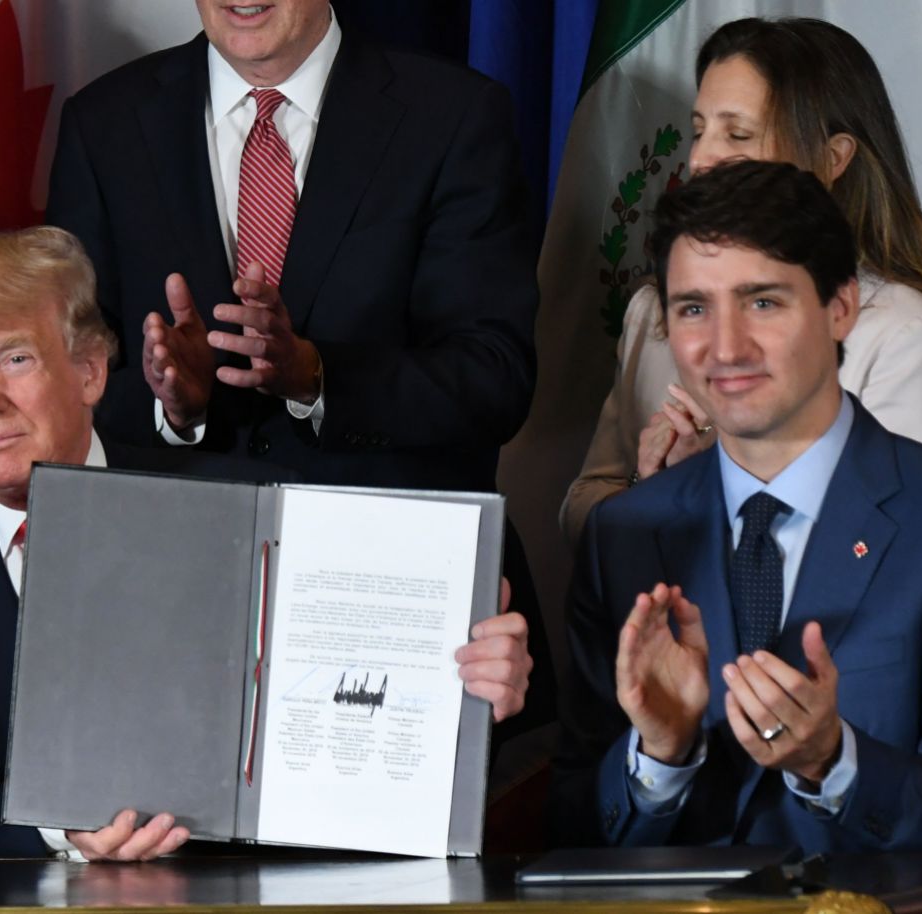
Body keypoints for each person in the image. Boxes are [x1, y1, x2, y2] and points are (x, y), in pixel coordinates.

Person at [0, 227, 535, 860]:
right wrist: (56, 828)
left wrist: (464, 699)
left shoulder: (254, 509)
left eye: (15, 359)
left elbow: (365, 743)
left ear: (90, 370)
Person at [46, 0, 552, 741]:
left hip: (391, 613)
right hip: (178, 611)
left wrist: (316, 377)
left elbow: (494, 378)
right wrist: (174, 408)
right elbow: (68, 382)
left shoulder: (452, 115)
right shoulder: (105, 122)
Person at [553, 161, 922, 851]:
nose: (725, 347)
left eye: (763, 301)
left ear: (841, 305)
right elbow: (569, 830)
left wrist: (833, 762)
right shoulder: (624, 533)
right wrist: (659, 755)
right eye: (693, 307)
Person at [561, 16, 922, 547]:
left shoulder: (903, 332)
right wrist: (653, 488)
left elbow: (891, 551)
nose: (703, 158)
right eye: (699, 129)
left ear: (833, 158)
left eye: (738, 134)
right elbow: (580, 511)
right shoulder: (651, 309)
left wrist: (714, 481)